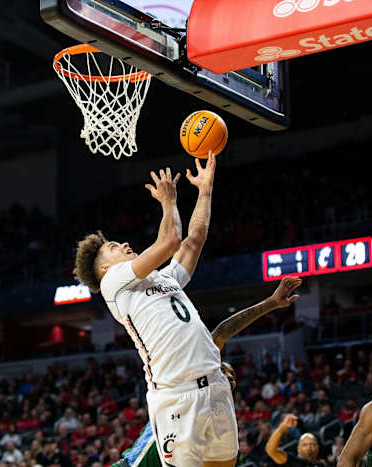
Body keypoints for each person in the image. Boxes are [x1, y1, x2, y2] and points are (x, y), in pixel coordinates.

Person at [75, 155, 294, 466]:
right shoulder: (114, 285)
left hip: (215, 385)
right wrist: (168, 201)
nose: (123, 243)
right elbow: (170, 240)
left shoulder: (163, 278)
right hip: (176, 397)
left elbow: (193, 241)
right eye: (113, 247)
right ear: (106, 267)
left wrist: (204, 190)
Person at [111, 276, 304, 467]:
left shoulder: (215, 415)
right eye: (226, 371)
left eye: (232, 378)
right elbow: (222, 332)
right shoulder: (194, 372)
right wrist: (270, 304)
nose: (230, 376)